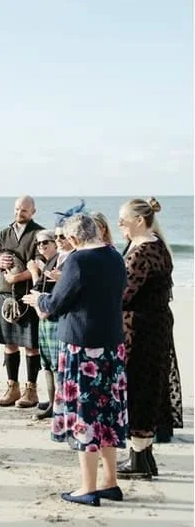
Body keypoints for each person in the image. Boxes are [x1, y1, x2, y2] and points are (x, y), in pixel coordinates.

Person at [23, 214, 128, 507]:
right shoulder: (114, 256)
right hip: (112, 344)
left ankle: (88, 487)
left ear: (73, 239)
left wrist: (38, 300)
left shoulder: (78, 261)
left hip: (82, 347)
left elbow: (56, 303)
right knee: (107, 413)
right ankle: (110, 482)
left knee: (86, 414)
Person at [116, 197, 182, 479]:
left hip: (141, 329)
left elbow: (123, 294)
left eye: (123, 220)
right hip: (153, 325)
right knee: (147, 386)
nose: (119, 226)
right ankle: (143, 455)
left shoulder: (142, 251)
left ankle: (139, 459)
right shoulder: (157, 245)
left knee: (139, 388)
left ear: (139, 221)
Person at [0, 196, 44, 408]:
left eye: (24, 210)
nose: (19, 213)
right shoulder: (5, 232)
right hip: (4, 293)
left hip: (28, 295)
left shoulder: (39, 233)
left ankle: (31, 390)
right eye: (17, 209)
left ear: (33, 212)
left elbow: (40, 266)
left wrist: (17, 278)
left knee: (31, 345)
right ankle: (13, 388)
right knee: (9, 343)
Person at [26, 229, 59, 421]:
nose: (42, 246)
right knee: (46, 361)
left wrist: (33, 272)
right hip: (44, 316)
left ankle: (56, 405)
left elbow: (47, 295)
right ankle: (53, 401)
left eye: (46, 242)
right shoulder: (48, 264)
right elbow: (37, 290)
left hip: (52, 317)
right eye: (39, 244)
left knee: (54, 364)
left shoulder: (59, 262)